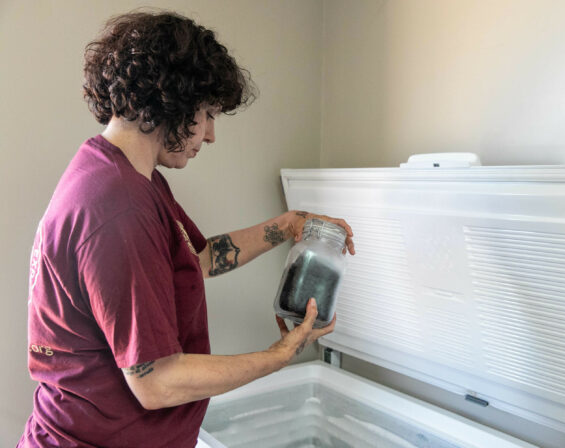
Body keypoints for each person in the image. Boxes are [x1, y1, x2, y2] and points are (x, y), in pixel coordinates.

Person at [18, 10, 355, 448]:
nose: (211, 134)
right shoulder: (117, 208)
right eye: (208, 113)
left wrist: (287, 225)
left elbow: (195, 261)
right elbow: (156, 381)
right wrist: (279, 356)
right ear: (171, 99)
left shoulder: (127, 178)